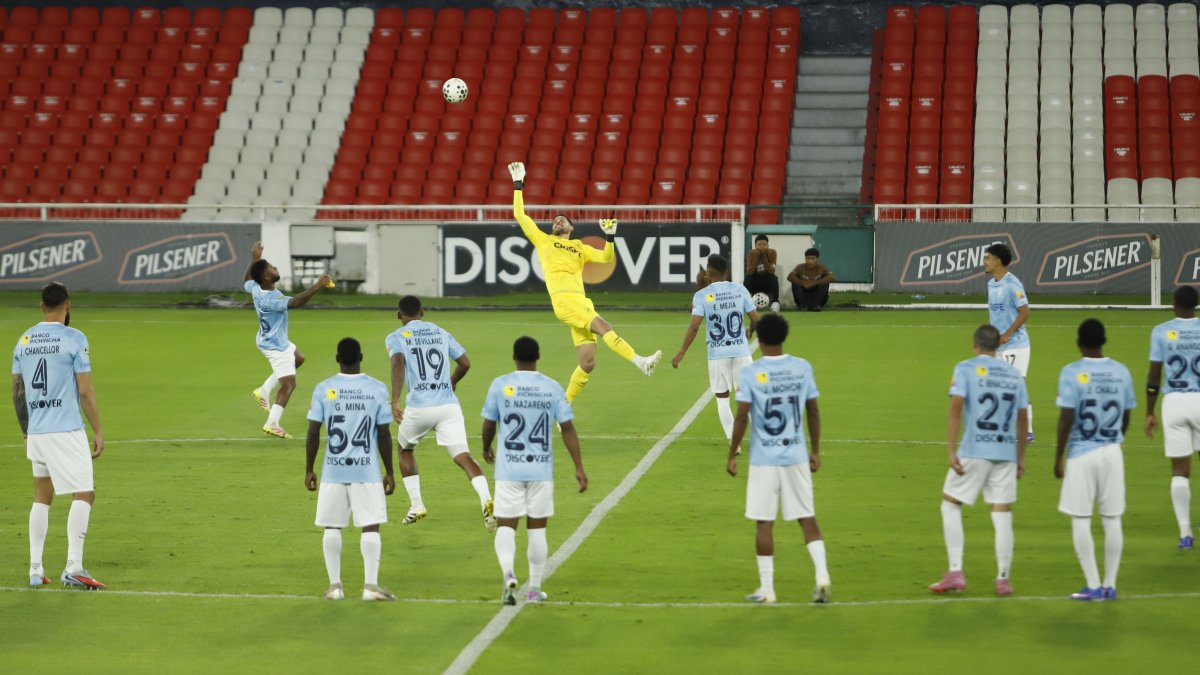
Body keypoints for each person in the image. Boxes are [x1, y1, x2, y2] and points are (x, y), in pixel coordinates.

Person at [508, 161, 662, 403]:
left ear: (572, 226)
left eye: (562, 220)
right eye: (555, 220)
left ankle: (564, 406)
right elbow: (520, 214)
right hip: (565, 300)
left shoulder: (580, 247)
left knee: (588, 363)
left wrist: (610, 237)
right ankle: (640, 362)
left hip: (580, 302)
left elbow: (606, 257)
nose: (558, 221)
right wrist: (518, 185)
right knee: (605, 326)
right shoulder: (544, 240)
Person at [726, 313, 831, 604]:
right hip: (796, 456)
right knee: (807, 519)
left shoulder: (750, 373)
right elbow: (813, 412)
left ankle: (767, 589)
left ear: (758, 339)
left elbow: (742, 417)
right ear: (784, 337)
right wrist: (815, 451)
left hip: (764, 460)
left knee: (764, 523)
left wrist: (731, 454)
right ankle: (822, 575)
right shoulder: (802, 368)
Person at [11, 282, 106, 589]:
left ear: (41, 307)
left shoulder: (23, 340)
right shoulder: (74, 338)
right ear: (69, 305)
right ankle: (74, 567)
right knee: (85, 492)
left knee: (42, 495)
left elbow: (18, 391)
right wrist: (98, 430)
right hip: (65, 429)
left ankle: (35, 570)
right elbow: (85, 390)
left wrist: (26, 430)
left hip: (37, 431)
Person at [482, 336, 586, 605]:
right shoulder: (551, 388)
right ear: (537, 357)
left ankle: (508, 575)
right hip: (540, 470)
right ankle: (534, 588)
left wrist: (486, 447)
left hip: (509, 470)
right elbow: (568, 428)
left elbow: (489, 424)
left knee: (506, 525)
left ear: (514, 357)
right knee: (537, 530)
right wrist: (578, 467)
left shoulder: (500, 385)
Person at [929, 324, 1029, 596]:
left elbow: (955, 409)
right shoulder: (1014, 375)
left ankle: (955, 571)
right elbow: (1023, 418)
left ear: (975, 344)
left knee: (950, 504)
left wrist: (952, 450)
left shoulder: (965, 368)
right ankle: (1003, 578)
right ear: (997, 346)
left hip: (974, 450)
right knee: (1002, 513)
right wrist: (1020, 457)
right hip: (1006, 451)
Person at [386, 295, 494, 529]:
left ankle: (416, 505)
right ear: (422, 312)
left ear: (399, 315)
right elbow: (465, 362)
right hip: (448, 406)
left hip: (419, 407)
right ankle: (486, 499)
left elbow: (396, 362)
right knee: (463, 455)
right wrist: (452, 381)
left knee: (404, 449)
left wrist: (394, 400)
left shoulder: (396, 337)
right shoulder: (440, 332)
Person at [305, 338, 397, 601]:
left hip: (333, 471)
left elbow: (313, 433)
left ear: (337, 359)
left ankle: (335, 587)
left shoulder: (324, 388)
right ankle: (370, 587)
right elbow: (384, 434)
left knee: (332, 527)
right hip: (366, 471)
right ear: (361, 357)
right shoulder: (377, 389)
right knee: (371, 526)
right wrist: (389, 471)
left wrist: (309, 469)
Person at [1054, 319, 1134, 601]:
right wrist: (1113, 439)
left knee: (1081, 518)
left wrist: (1058, 458)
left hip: (1081, 453)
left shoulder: (1071, 373)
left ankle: (1093, 584)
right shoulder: (1121, 372)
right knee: (1112, 519)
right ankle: (1110, 585)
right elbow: (1126, 415)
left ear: (1078, 343)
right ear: (1105, 340)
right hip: (1112, 452)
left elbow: (1066, 419)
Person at [243, 241, 332, 439]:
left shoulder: (257, 288)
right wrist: (317, 285)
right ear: (267, 276)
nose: (276, 268)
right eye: (272, 268)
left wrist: (255, 259)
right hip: (276, 347)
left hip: (269, 339)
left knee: (298, 358)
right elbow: (296, 302)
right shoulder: (272, 298)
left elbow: (246, 281)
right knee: (289, 384)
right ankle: (272, 422)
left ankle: (264, 390)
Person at [671, 254, 760, 444]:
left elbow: (694, 326)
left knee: (722, 397)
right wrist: (750, 331)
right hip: (741, 352)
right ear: (725, 272)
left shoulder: (701, 295)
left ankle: (732, 440)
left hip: (717, 354)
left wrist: (681, 352)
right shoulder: (739, 289)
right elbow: (755, 319)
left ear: (708, 272)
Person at [1145, 285, 1200, 549]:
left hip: (1174, 402)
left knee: (1180, 471)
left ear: (1174, 304)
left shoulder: (1161, 332)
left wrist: (1149, 412)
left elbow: (1154, 377)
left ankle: (1185, 532)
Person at [984, 242, 1034, 442]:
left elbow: (1025, 312)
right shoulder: (991, 284)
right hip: (998, 345)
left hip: (1017, 344)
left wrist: (1007, 334)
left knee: (1017, 386)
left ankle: (1028, 430)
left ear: (998, 261)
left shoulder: (1013, 284)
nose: (984, 262)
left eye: (987, 258)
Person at [744, 234, 780, 312]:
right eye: (759, 244)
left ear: (768, 245)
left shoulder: (772, 252)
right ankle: (746, 303)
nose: (762, 246)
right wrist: (757, 256)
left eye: (764, 244)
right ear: (755, 246)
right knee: (747, 278)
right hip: (755, 281)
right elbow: (750, 272)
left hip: (767, 281)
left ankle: (775, 303)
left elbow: (771, 271)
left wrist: (763, 256)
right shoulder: (751, 253)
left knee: (774, 278)